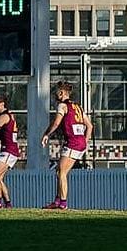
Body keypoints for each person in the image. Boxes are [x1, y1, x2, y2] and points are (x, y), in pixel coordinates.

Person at [40, 80, 90, 210]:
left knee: (61, 172)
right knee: (60, 171)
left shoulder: (62, 106)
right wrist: (85, 141)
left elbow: (56, 123)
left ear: (61, 92)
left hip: (73, 142)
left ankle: (62, 203)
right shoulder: (77, 106)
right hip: (79, 143)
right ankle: (58, 201)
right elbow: (89, 125)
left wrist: (46, 134)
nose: (55, 94)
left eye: (56, 91)